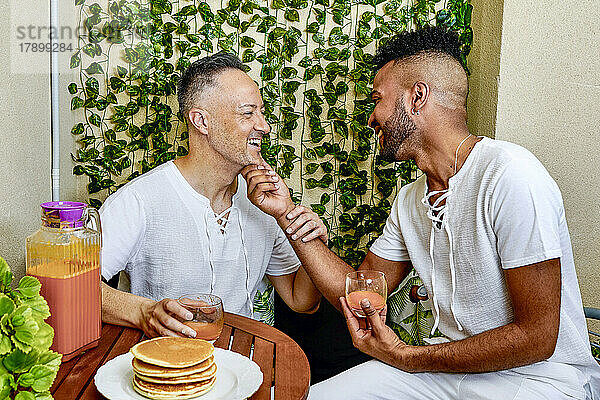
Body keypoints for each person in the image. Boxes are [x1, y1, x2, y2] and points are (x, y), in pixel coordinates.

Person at [242, 27, 600, 399]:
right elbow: (360, 289)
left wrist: (412, 357)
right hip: (445, 370)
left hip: (540, 378)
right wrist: (285, 215)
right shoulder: (410, 200)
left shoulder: (511, 174)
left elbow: (537, 338)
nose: (370, 118)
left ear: (417, 97)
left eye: (377, 99)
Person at [100, 52, 325, 339]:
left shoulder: (265, 202)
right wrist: (145, 311)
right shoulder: (138, 201)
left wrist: (309, 239)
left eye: (262, 112)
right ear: (201, 122)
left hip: (245, 365)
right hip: (167, 368)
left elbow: (301, 301)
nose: (264, 126)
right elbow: (70, 288)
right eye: (248, 113)